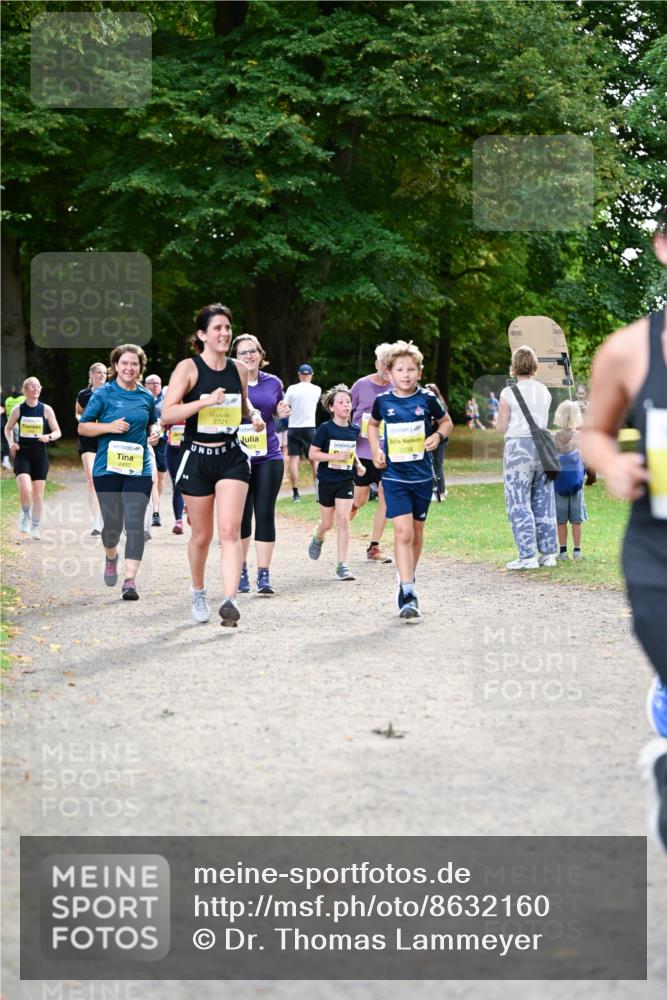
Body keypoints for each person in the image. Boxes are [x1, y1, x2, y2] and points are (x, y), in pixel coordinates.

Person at [582, 208, 667, 850]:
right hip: (658, 554)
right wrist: (612, 467)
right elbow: (593, 433)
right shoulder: (629, 349)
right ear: (663, 248)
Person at [161, 303, 264, 628]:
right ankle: (198, 590)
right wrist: (206, 400)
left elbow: (242, 404)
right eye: (217, 328)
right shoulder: (188, 369)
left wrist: (255, 415)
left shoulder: (238, 369)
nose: (224, 333)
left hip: (232, 456)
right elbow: (168, 414)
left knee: (231, 532)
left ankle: (231, 600)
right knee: (202, 535)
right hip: (197, 457)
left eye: (227, 328)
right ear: (202, 335)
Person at [368, 341, 452, 623]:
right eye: (400, 369)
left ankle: (408, 575)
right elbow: (372, 425)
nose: (405, 374)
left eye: (411, 369)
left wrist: (437, 437)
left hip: (422, 476)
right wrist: (376, 450)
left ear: (419, 372)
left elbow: (447, 422)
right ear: (389, 373)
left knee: (416, 533)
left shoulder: (427, 399)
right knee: (402, 533)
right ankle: (407, 591)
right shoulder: (383, 402)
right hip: (394, 476)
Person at [78, 345, 159, 600]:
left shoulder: (146, 396)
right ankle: (111, 556)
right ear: (115, 365)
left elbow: (151, 423)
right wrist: (109, 426)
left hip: (138, 468)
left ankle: (130, 581)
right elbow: (83, 428)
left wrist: (155, 433)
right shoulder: (103, 394)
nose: (129, 368)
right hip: (108, 468)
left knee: (134, 524)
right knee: (112, 525)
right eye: (124, 363)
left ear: (140, 367)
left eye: (134, 364)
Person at [230, 334, 291, 596]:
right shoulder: (229, 383)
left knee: (264, 511)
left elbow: (276, 412)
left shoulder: (273, 382)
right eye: (243, 353)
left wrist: (281, 413)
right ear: (235, 357)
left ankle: (263, 575)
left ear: (260, 353)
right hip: (236, 457)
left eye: (252, 351)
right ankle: (241, 569)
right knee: (242, 516)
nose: (248, 356)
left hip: (268, 455)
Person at [496, 345, 558, 570]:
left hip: (517, 448)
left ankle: (527, 555)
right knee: (543, 500)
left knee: (518, 501)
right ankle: (549, 553)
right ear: (534, 365)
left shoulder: (507, 393)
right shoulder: (544, 391)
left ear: (514, 366)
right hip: (542, 449)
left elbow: (502, 426)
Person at [307, 385, 364, 581]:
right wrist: (333, 456)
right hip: (326, 481)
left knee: (343, 520)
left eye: (348, 402)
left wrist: (358, 464)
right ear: (331, 407)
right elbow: (312, 454)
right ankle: (318, 536)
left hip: (345, 481)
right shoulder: (325, 429)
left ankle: (342, 565)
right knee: (327, 523)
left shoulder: (354, 430)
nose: (346, 405)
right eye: (341, 402)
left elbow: (350, 451)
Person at [349, 343, 393, 563]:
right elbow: (345, 410)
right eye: (383, 363)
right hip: (363, 451)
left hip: (388, 452)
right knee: (360, 499)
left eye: (390, 364)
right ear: (377, 363)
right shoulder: (361, 385)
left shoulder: (398, 387)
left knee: (387, 496)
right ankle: (341, 524)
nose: (386, 368)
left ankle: (374, 547)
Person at [5, 377, 62, 540]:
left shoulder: (46, 409)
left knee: (38, 494)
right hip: (23, 453)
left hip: (40, 455)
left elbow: (58, 431)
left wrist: (49, 437)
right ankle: (25, 515)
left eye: (38, 386)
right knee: (25, 488)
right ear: (25, 390)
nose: (36, 389)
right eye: (32, 386)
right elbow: (8, 428)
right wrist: (11, 443)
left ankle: (35, 527)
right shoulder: (18, 409)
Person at [75, 362, 107, 535]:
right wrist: (84, 420)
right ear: (92, 375)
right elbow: (78, 412)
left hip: (107, 439)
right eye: (99, 373)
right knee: (92, 479)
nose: (102, 375)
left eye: (104, 373)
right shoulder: (84, 394)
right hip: (88, 440)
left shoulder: (112, 392)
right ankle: (96, 521)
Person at [552, 400, 587, 560]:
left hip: (558, 483)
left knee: (560, 520)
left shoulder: (555, 437)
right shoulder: (580, 437)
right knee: (576, 520)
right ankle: (577, 551)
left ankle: (563, 551)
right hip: (576, 483)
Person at [284, 364, 321, 502]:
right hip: (309, 428)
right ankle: (318, 490)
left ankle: (295, 494)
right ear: (311, 374)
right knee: (315, 460)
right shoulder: (317, 389)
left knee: (294, 460)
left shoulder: (292, 389)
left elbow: (285, 405)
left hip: (293, 427)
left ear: (299, 374)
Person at [143, 374, 167, 528]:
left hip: (163, 441)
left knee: (160, 477)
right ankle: (155, 511)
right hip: (147, 440)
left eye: (157, 383)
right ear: (145, 385)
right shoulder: (142, 398)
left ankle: (154, 501)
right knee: (153, 478)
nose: (154, 385)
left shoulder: (167, 399)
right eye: (151, 383)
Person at [163, 397, 186, 535]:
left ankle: (192, 510)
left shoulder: (195, 402)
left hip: (191, 449)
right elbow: (163, 424)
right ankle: (178, 521)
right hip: (173, 449)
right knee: (177, 484)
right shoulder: (171, 405)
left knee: (195, 484)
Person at [425, 382, 450, 500]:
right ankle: (433, 490)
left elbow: (438, 423)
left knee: (437, 465)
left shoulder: (439, 406)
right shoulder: (426, 404)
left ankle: (441, 491)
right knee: (430, 465)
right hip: (429, 439)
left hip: (440, 440)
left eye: (429, 390)